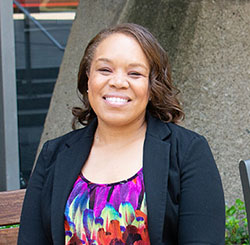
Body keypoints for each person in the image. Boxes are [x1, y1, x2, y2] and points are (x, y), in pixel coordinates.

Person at [18, 23, 225, 245]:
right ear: (88, 78)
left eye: (134, 73)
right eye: (104, 70)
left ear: (152, 85)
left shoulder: (187, 152)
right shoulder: (54, 154)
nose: (117, 82)